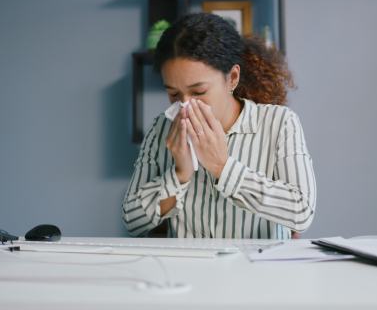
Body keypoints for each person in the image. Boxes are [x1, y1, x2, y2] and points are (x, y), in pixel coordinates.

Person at [122, 13, 316, 239]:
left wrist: (222, 168)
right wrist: (180, 174)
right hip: (186, 271)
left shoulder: (280, 123)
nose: (185, 105)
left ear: (232, 78)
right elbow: (132, 221)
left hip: (258, 271)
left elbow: (302, 212)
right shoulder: (161, 129)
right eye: (174, 94)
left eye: (199, 92)